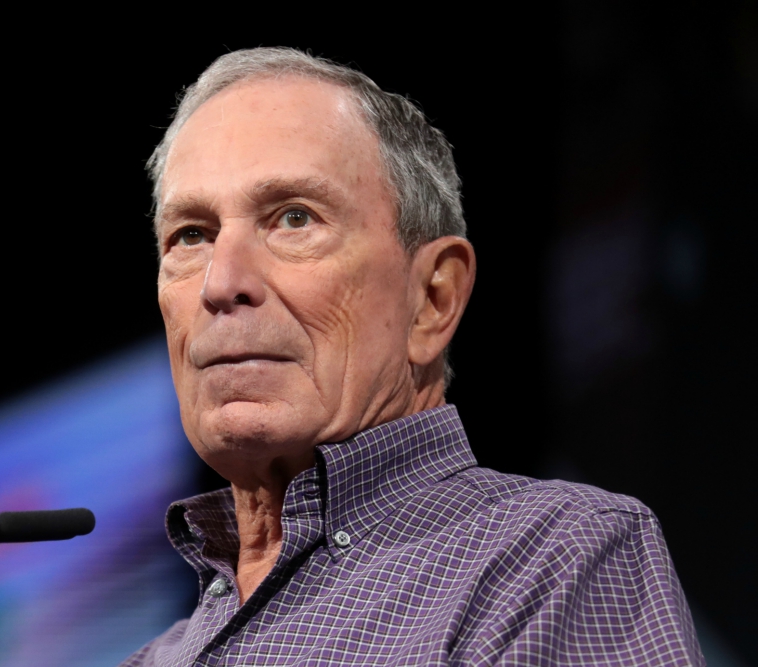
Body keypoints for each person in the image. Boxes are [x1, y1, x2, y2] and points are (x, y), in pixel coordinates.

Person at [122, 47, 703, 666]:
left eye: (294, 218)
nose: (219, 282)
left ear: (432, 299)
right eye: (191, 234)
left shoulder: (553, 557)